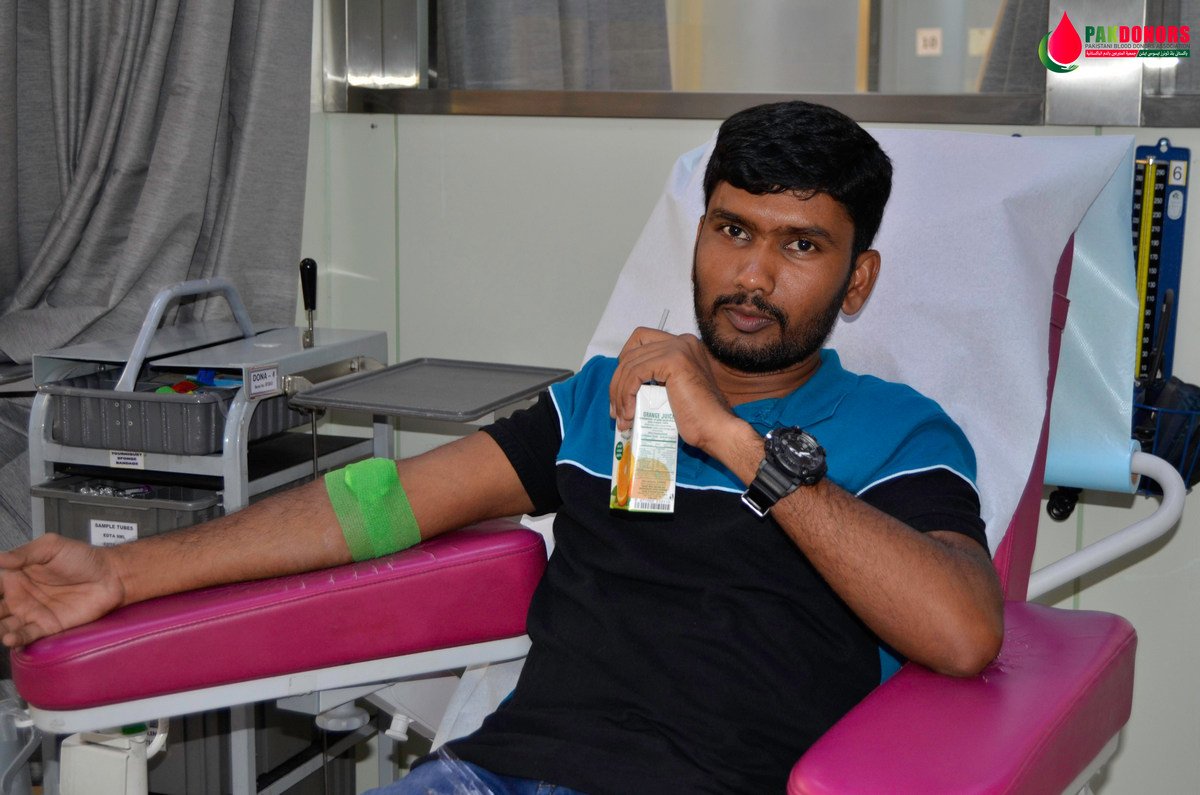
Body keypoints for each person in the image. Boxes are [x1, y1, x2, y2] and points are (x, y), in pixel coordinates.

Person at [0, 101, 1003, 794]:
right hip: (493, 773)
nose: (752, 275)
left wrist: (733, 441)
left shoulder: (901, 434)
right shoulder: (597, 402)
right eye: (732, 230)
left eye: (799, 245)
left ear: (857, 280)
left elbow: (962, 633)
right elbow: (376, 505)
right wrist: (123, 572)